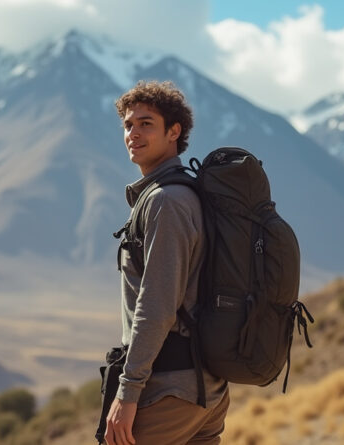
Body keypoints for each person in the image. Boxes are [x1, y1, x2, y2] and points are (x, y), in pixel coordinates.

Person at [103, 81, 230, 445]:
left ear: (174, 132)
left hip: (169, 390)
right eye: (128, 125)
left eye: (146, 124)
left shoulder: (166, 202)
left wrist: (128, 391)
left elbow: (157, 305)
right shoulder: (183, 193)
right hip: (203, 387)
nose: (133, 133)